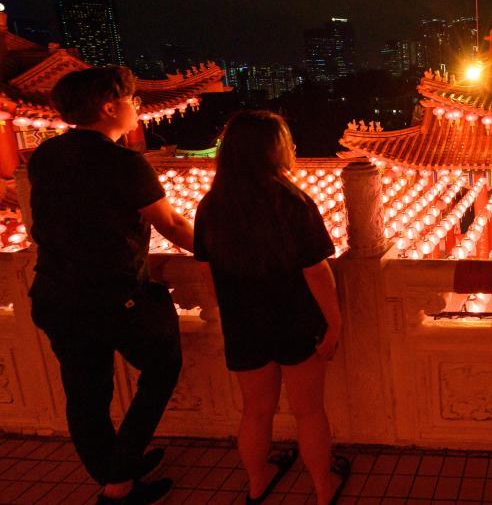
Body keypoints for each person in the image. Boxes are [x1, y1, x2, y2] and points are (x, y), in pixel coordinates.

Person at [28, 66, 195, 504]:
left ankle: (112, 470)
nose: (136, 107)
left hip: (54, 293)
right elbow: (173, 224)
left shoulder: (46, 155)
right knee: (162, 368)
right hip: (111, 296)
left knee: (86, 393)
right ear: (108, 107)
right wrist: (218, 249)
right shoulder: (123, 162)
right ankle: (120, 481)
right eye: (131, 100)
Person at [193, 111, 349, 505]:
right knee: (309, 412)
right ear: (274, 150)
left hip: (243, 324)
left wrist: (229, 313)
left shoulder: (211, 205)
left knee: (255, 412)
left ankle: (258, 481)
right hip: (295, 321)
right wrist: (333, 323)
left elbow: (208, 271)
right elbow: (316, 271)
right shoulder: (292, 202)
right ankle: (323, 486)